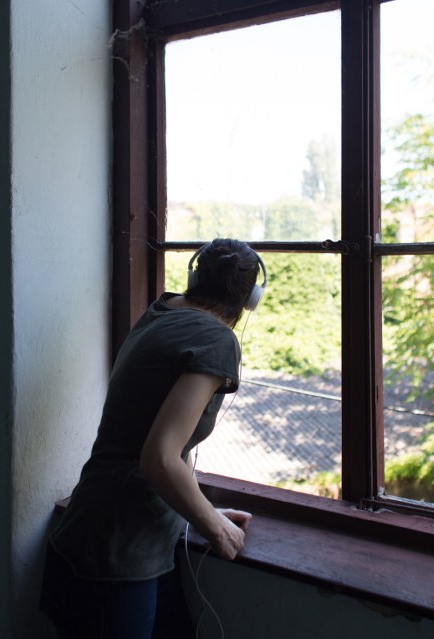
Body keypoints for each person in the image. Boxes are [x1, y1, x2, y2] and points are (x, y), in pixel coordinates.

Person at [40, 238, 268, 638]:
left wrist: (204, 512)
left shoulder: (161, 312)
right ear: (251, 300)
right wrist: (217, 530)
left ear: (194, 277)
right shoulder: (216, 340)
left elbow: (153, 439)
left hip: (108, 541)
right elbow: (159, 459)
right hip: (115, 558)